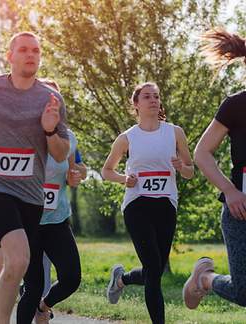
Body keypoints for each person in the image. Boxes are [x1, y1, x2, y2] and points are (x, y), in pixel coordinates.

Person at [0, 31, 70, 324]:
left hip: (31, 195)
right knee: (20, 259)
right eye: (23, 49)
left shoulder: (51, 99)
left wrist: (49, 130)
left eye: (35, 50)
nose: (31, 54)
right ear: (9, 56)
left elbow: (61, 154)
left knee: (8, 262)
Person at [102, 82, 194, 324]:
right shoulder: (127, 138)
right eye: (146, 97)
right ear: (136, 104)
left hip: (166, 204)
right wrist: (125, 179)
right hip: (137, 204)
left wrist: (181, 167)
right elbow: (106, 171)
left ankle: (121, 279)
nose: (153, 100)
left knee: (155, 271)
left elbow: (190, 171)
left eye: (156, 96)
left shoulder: (175, 132)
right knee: (153, 268)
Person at [183, 27, 246, 309]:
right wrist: (229, 190)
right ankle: (204, 279)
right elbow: (202, 152)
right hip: (241, 210)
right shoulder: (235, 105)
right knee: (244, 292)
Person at [33, 129, 86, 323]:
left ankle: (43, 306)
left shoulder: (68, 136)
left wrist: (76, 175)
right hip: (25, 219)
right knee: (31, 283)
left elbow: (80, 168)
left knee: (71, 278)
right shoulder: (22, 129)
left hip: (57, 218)